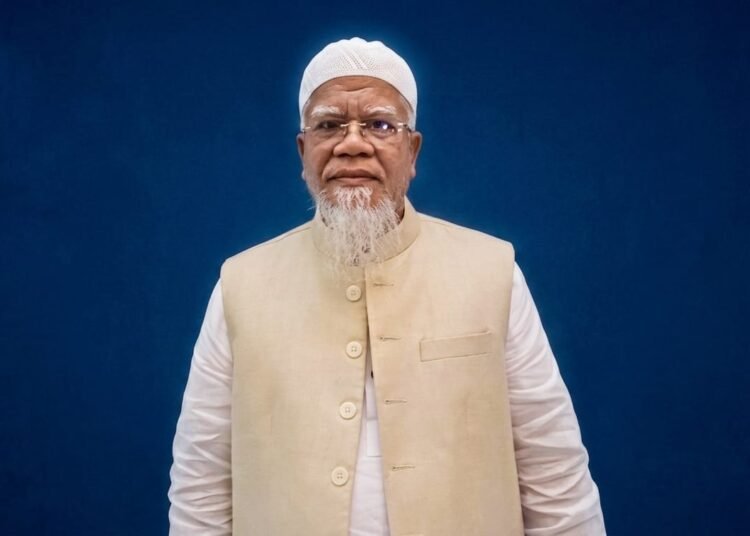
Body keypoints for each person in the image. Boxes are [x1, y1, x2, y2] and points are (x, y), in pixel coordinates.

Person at [168, 37, 606, 536]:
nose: (352, 144)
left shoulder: (492, 273)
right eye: (329, 125)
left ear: (412, 150)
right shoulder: (241, 287)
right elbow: (201, 488)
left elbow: (555, 476)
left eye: (379, 125)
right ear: (303, 151)